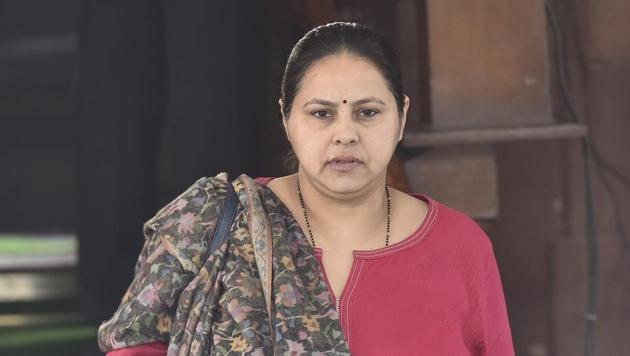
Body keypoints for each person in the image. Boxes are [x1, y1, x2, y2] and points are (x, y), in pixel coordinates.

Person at [97, 22, 514, 355]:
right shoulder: (211, 226)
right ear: (287, 119)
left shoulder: (461, 247)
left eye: (368, 112)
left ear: (401, 118)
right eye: (321, 114)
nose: (345, 134)